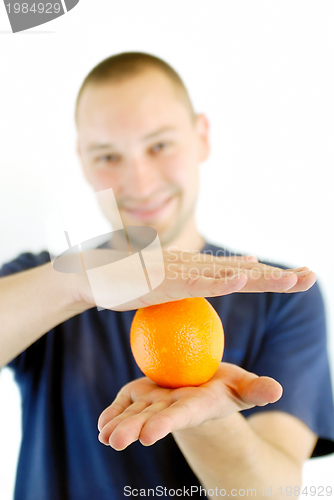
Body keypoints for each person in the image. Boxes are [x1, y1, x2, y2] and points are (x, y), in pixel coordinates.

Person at [0, 52, 333, 500]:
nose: (138, 182)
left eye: (159, 146)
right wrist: (77, 283)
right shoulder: (40, 281)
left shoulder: (277, 298)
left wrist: (209, 420)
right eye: (108, 155)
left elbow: (271, 492)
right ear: (81, 160)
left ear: (202, 137)